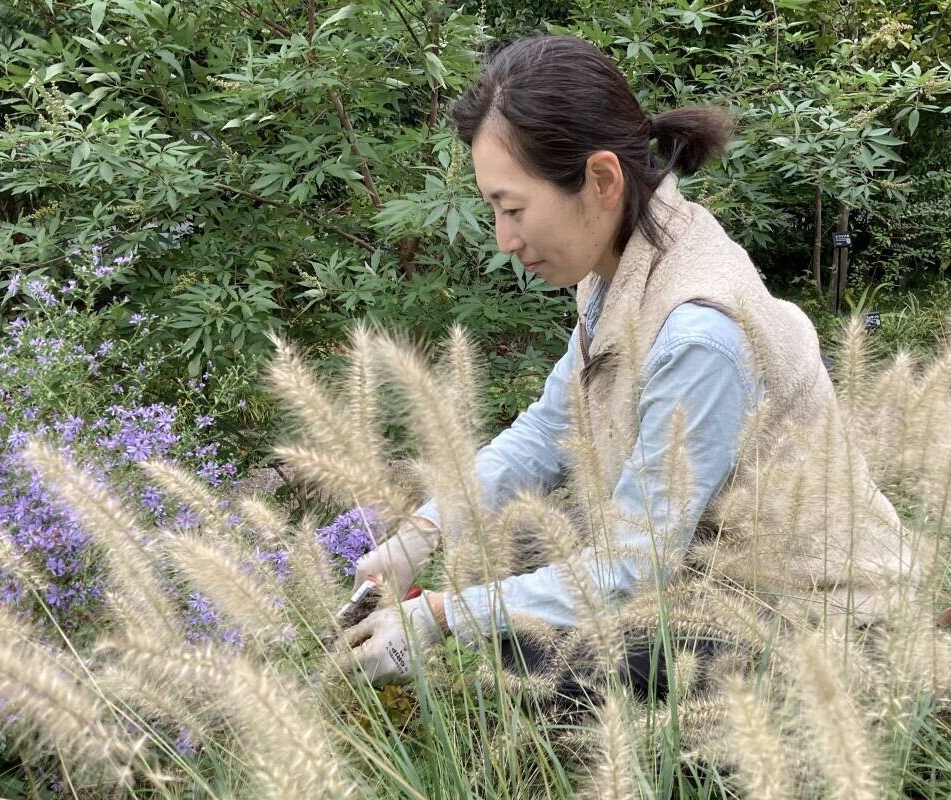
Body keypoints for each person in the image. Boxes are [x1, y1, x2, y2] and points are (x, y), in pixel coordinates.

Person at [340, 34, 919, 696]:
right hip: (712, 571)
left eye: (513, 208)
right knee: (493, 555)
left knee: (535, 660)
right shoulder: (617, 264)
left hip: (819, 619)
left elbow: (633, 568)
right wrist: (424, 531)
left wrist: (442, 616)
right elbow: (547, 429)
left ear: (602, 180)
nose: (505, 239)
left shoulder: (696, 330)